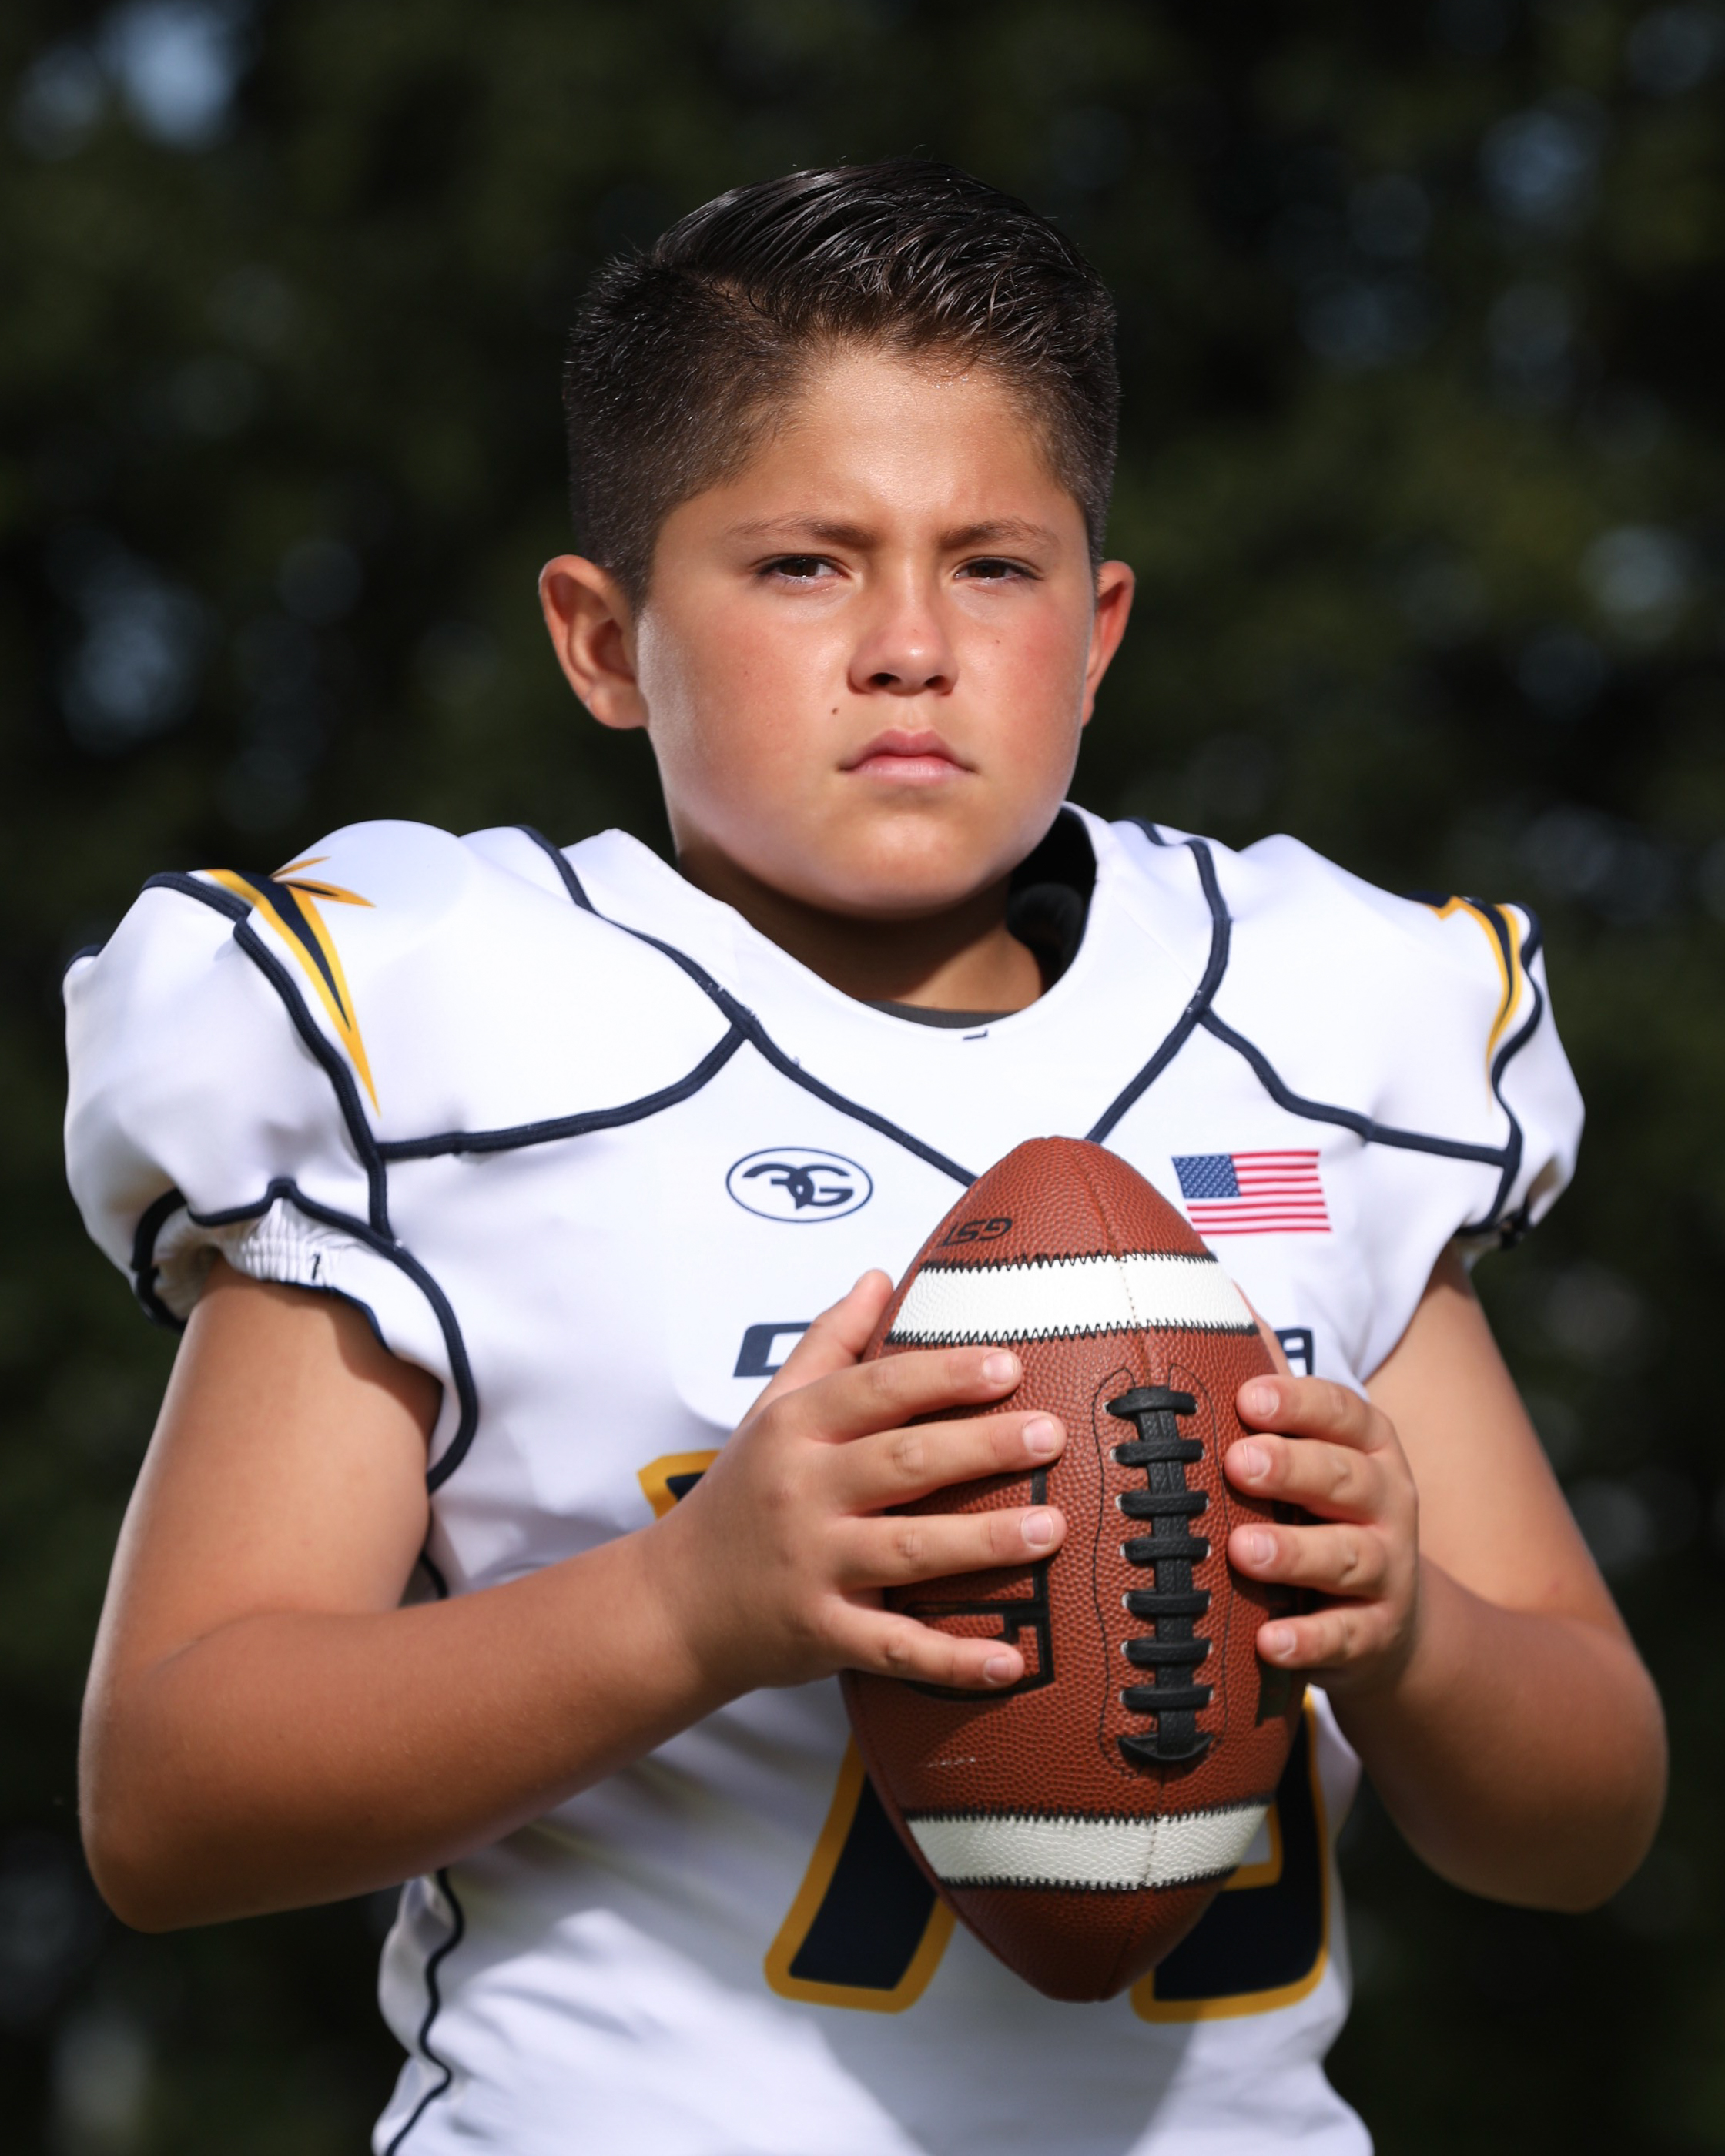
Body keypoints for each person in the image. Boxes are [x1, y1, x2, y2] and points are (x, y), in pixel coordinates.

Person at [64, 162, 1663, 2156]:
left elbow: (1588, 1814)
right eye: (805, 564)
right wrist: (690, 1607)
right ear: (602, 638)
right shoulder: (447, 1023)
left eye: (992, 566)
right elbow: (169, 1799)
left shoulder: (1320, 1030)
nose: (910, 645)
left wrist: (1413, 1631)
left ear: (1100, 630)